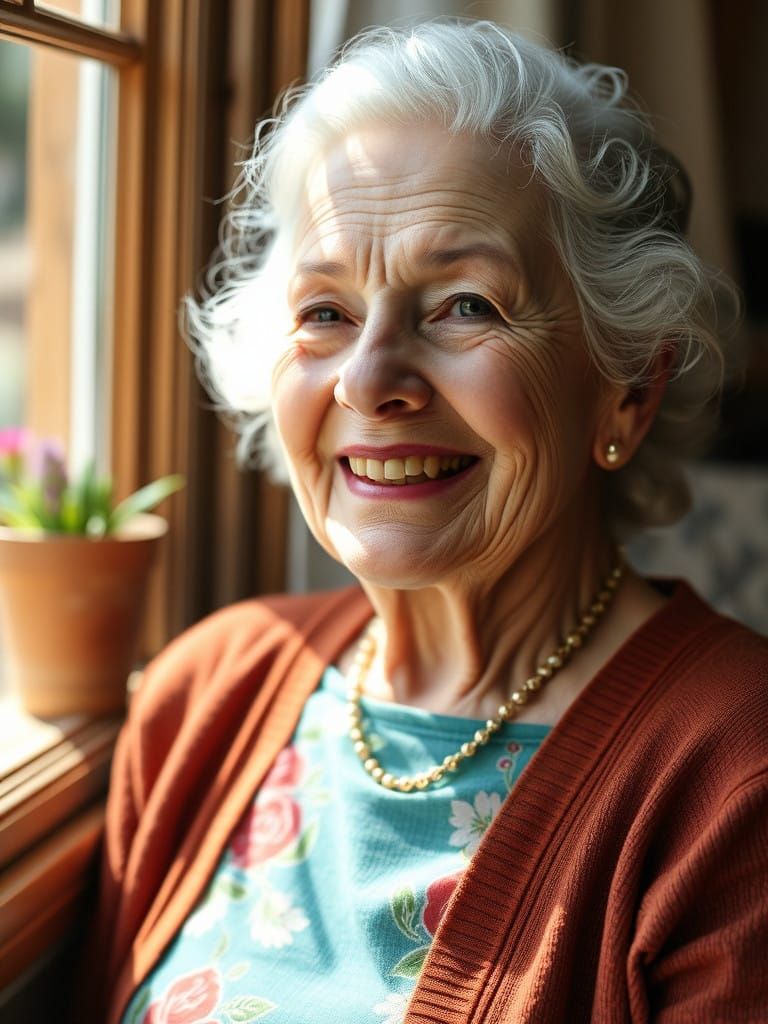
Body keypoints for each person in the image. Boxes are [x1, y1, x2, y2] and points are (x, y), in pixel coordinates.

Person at [89, 20, 768, 1024]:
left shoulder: (735, 777)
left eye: (464, 305)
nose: (369, 378)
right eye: (324, 311)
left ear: (626, 385)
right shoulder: (207, 696)